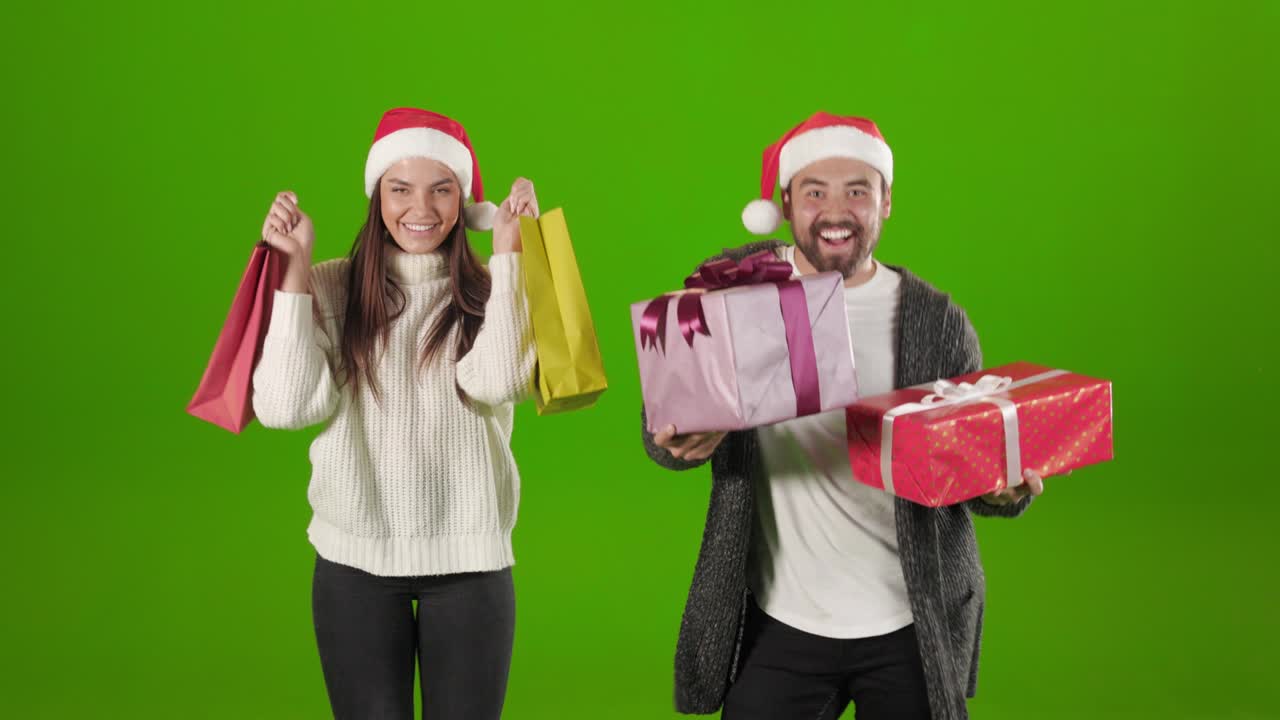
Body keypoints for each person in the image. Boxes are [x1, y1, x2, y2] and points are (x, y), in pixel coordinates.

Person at [643, 112, 1047, 720]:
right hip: (781, 620)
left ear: (886, 203)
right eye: (815, 192)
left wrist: (1004, 487)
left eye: (858, 190)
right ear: (785, 204)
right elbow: (663, 428)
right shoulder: (733, 294)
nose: (837, 211)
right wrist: (677, 441)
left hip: (909, 619)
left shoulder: (937, 321)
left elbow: (974, 470)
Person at [251, 107, 538, 719]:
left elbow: (501, 379)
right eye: (400, 189)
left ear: (464, 200)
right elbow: (283, 406)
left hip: (471, 563)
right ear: (376, 195)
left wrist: (511, 256)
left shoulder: (493, 291)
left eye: (442, 190)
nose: (421, 209)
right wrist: (295, 269)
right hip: (354, 565)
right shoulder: (330, 287)